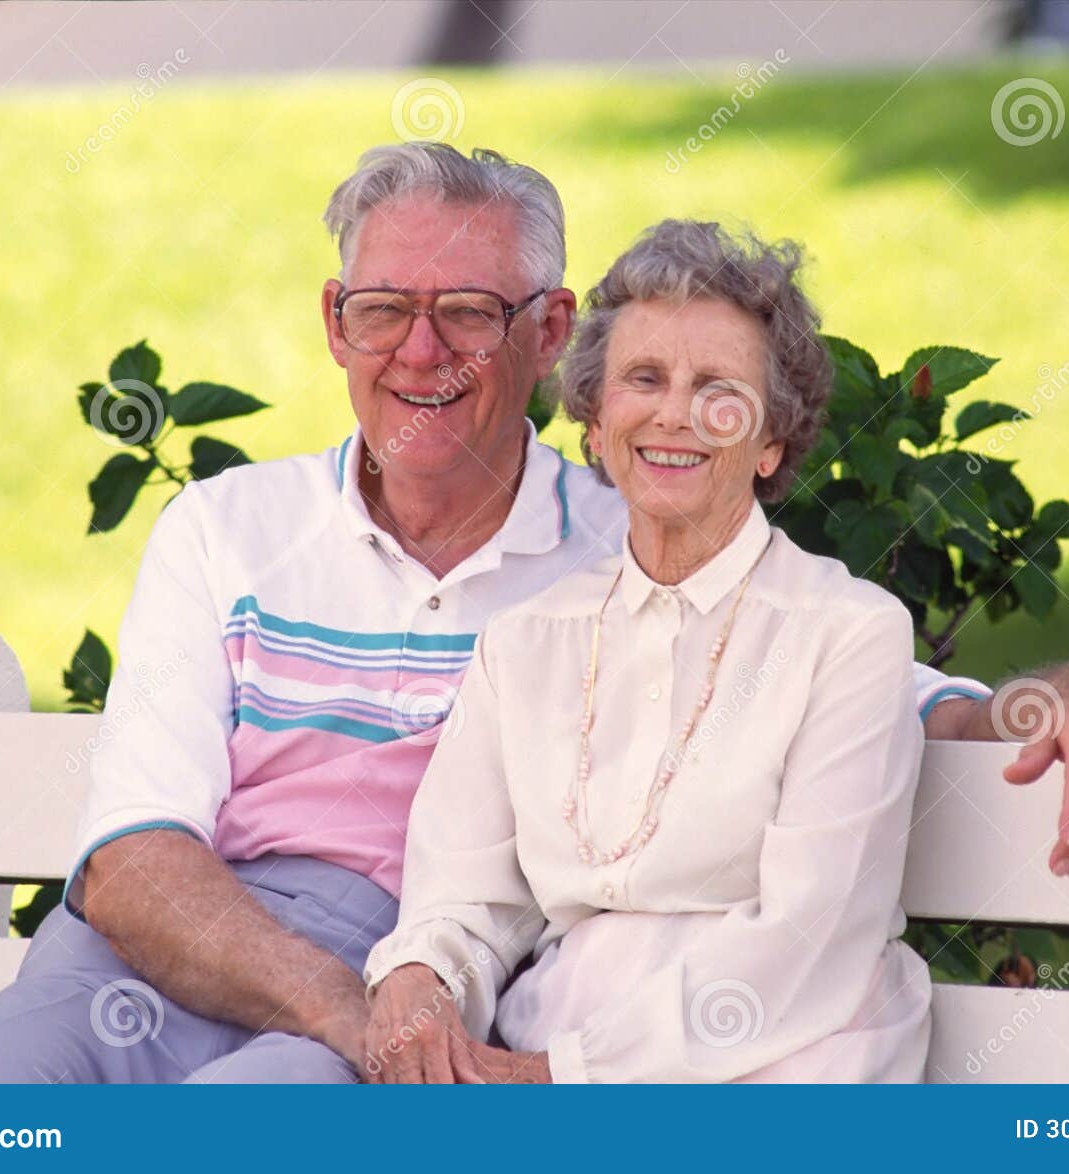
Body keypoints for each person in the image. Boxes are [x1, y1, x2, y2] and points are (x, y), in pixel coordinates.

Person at [0, 143, 1069, 1085]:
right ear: (338, 325)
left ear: (548, 335)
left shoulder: (632, 541)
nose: (421, 351)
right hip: (194, 956)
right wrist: (369, 1007)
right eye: (384, 308)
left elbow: (875, 697)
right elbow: (131, 860)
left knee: (256, 1119)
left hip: (432, 996)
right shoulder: (228, 531)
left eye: (471, 313)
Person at [365, 220, 931, 1083]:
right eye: (643, 379)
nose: (675, 413)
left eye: (717, 387)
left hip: (781, 1067)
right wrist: (421, 981)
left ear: (772, 438)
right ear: (595, 424)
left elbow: (810, 935)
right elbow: (463, 901)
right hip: (544, 1058)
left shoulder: (848, 633)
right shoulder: (525, 643)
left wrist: (559, 1079)